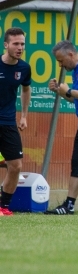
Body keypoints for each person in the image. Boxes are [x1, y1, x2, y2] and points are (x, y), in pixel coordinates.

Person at [44, 41, 78, 215]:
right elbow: (77, 98)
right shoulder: (76, 70)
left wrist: (69, 91)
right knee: (77, 163)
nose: (60, 65)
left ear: (70, 55)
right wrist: (61, 92)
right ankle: (69, 205)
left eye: (61, 60)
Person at [0, 27, 31, 216]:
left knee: (16, 165)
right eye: (16, 44)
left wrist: (24, 115)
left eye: (22, 44)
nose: (20, 47)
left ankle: (3, 206)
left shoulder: (24, 68)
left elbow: (26, 89)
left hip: (8, 123)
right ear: (6, 45)